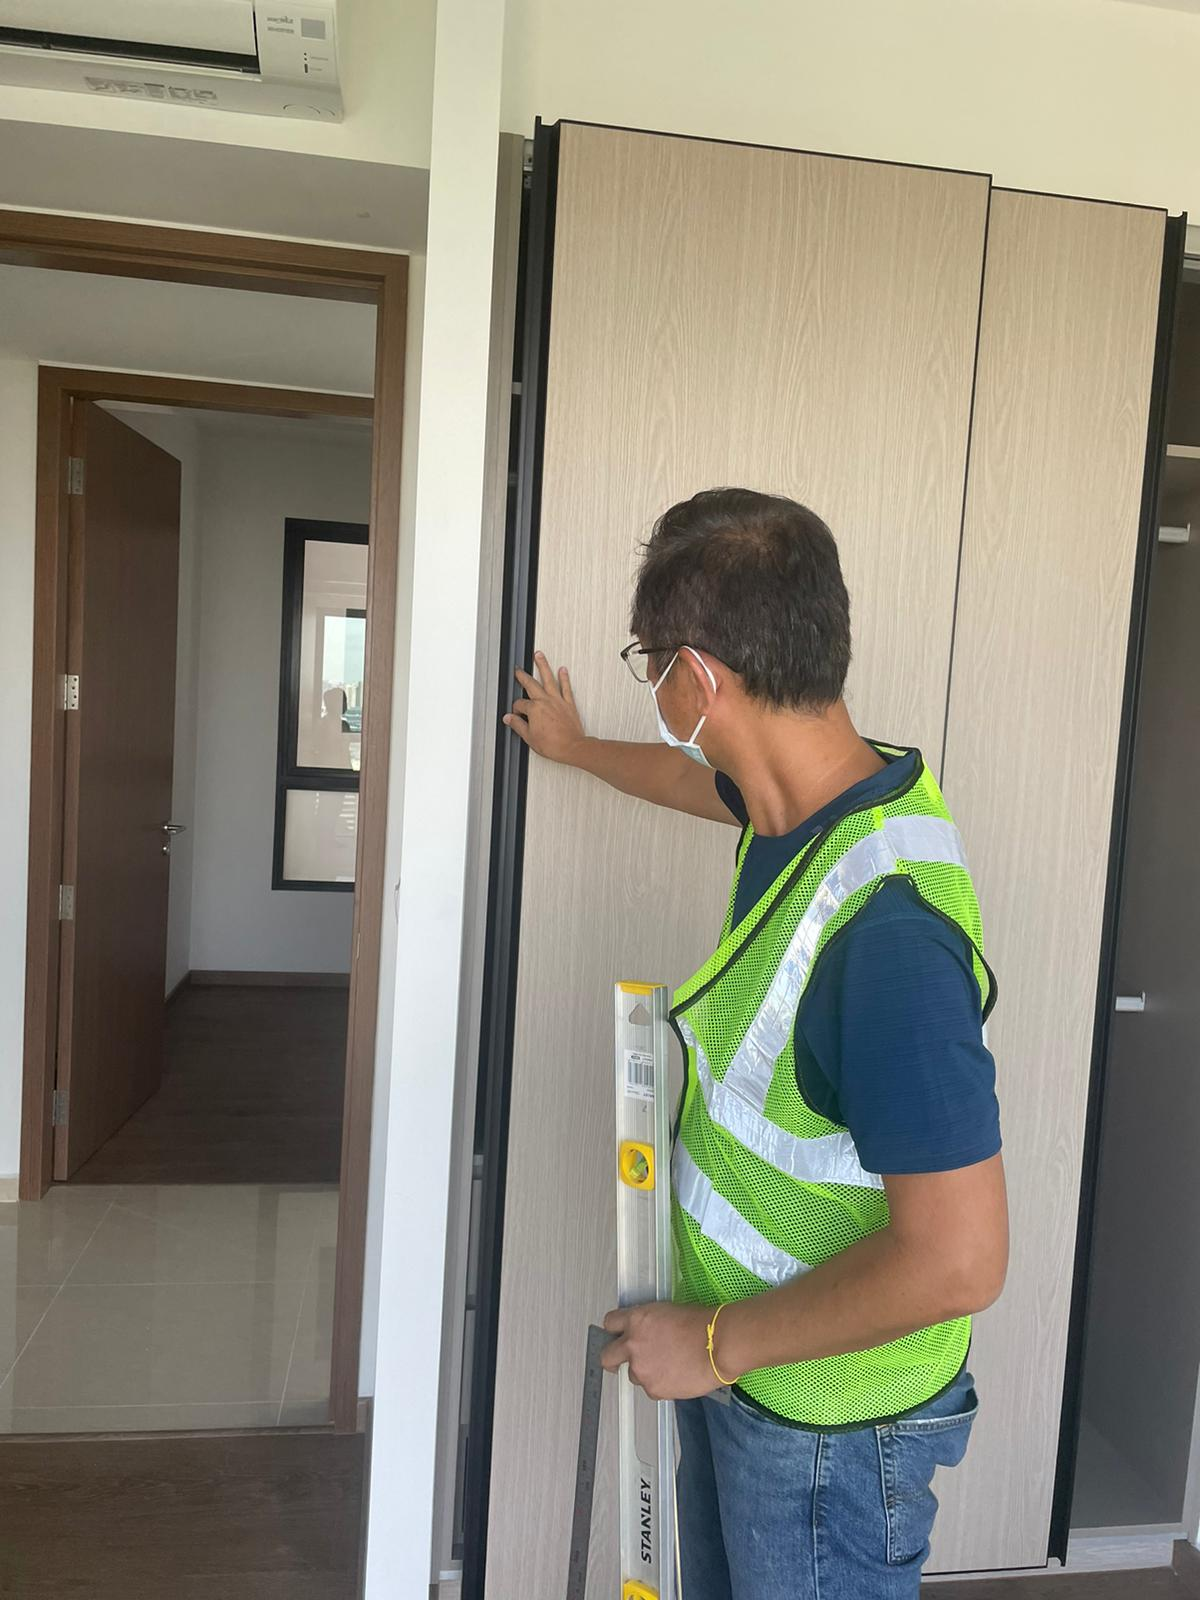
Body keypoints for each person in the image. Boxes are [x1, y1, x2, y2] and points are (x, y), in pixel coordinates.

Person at [503, 487, 1008, 1599]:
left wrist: (716, 1345)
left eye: (650, 661)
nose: (655, 685)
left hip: (830, 1426)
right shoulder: (808, 796)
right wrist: (581, 748)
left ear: (701, 675)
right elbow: (702, 780)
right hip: (752, 1373)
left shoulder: (887, 939)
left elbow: (962, 1258)